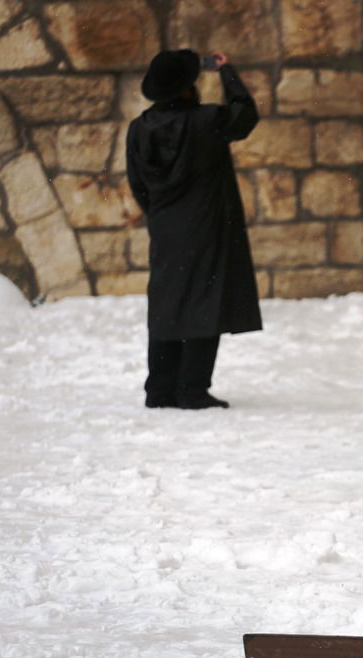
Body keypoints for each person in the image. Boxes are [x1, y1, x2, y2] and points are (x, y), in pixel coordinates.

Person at [127, 49, 261, 410]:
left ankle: (160, 387)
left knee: (167, 304)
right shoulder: (208, 121)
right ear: (187, 88)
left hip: (167, 231)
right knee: (205, 303)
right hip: (207, 227)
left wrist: (161, 216)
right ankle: (190, 388)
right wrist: (226, 72)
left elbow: (138, 184)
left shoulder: (139, 129)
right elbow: (246, 114)